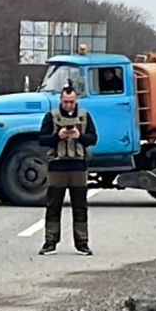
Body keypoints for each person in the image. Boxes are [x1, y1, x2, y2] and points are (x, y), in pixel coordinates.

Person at [37, 85, 97, 256]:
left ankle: (82, 243)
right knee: (53, 206)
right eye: (66, 102)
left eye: (72, 102)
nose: (69, 105)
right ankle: (50, 242)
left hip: (78, 167)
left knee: (80, 207)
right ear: (60, 100)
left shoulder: (84, 116)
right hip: (57, 168)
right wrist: (58, 136)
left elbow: (93, 138)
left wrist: (80, 137)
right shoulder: (51, 116)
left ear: (76, 100)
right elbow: (42, 139)